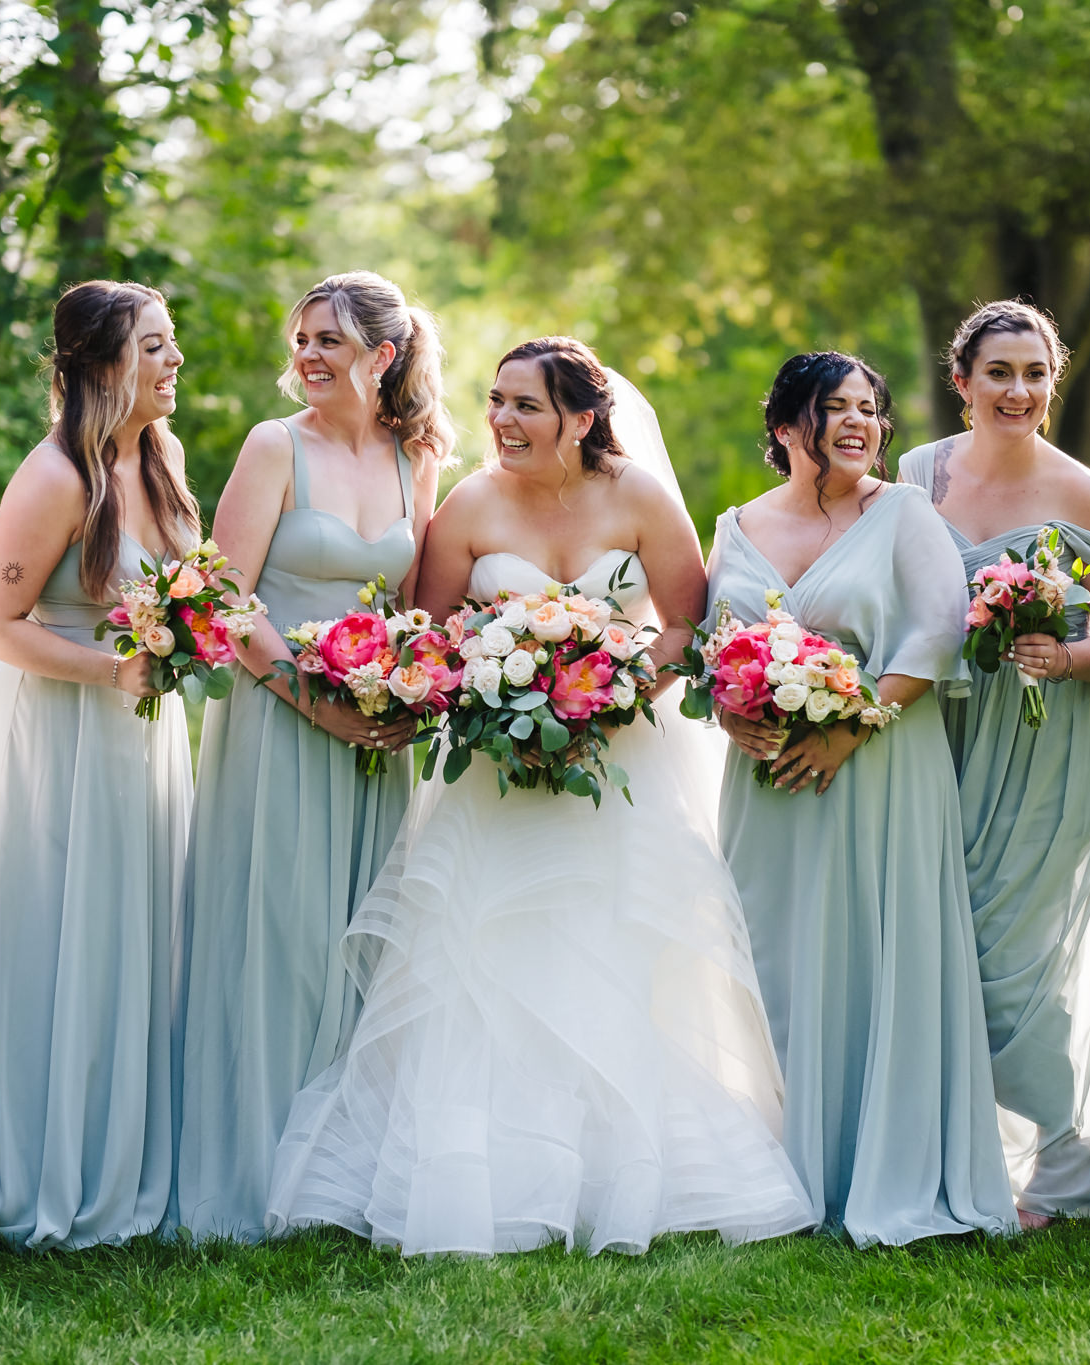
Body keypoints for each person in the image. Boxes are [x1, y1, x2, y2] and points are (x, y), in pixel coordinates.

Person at [264, 338, 814, 1255]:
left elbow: (686, 620)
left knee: (623, 946)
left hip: (625, 765)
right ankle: (484, 1166)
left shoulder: (638, 495)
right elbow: (431, 633)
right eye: (497, 401)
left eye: (526, 405)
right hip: (499, 773)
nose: (504, 421)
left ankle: (632, 1165)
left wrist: (621, 685)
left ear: (583, 418)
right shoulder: (471, 503)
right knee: (489, 954)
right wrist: (489, 683)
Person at [710, 351, 1017, 1246]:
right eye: (833, 407)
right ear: (783, 427)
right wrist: (733, 713)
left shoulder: (903, 512)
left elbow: (938, 629)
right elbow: (716, 644)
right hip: (767, 776)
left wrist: (852, 725)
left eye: (869, 410)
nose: (858, 423)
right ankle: (778, 1164)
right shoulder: (734, 526)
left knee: (875, 949)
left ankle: (883, 1165)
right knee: (774, 954)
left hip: (880, 766)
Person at [174, 272, 450, 1241]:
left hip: (375, 728)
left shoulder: (414, 457)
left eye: (327, 341)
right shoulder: (272, 445)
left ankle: (341, 1167)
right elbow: (223, 595)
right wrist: (306, 696)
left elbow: (413, 604)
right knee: (280, 927)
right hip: (277, 719)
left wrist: (406, 692)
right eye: (298, 340)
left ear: (381, 355)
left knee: (361, 934)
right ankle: (255, 1161)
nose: (306, 357)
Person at [0, 281, 198, 1251]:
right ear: (101, 363)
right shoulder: (56, 476)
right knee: (58, 933)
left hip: (140, 732)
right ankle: (40, 1166)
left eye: (171, 344)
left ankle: (124, 1154)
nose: (173, 362)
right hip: (59, 729)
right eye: (153, 346)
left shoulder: (161, 457)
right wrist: (112, 669)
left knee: (133, 932)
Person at [896, 301, 1090, 1225]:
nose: (1020, 391)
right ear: (962, 383)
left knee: (1013, 955)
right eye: (999, 372)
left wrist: (1065, 656)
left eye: (1035, 373)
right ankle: (962, 1155)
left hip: (1049, 740)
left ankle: (1068, 1170)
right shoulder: (916, 473)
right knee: (948, 944)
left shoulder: (1081, 493)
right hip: (942, 735)